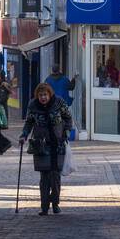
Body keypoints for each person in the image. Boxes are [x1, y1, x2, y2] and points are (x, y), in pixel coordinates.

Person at [20, 82, 73, 215]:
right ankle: (44, 206)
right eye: (40, 95)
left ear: (50, 94)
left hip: (58, 143)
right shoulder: (33, 105)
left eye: (45, 94)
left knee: (55, 175)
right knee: (44, 175)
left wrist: (66, 131)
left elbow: (68, 117)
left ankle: (55, 203)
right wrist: (24, 135)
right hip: (41, 144)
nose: (43, 97)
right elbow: (29, 122)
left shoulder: (59, 102)